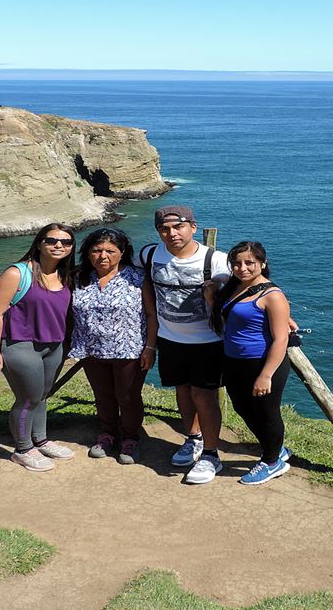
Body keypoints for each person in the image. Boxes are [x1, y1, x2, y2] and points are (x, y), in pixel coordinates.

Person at [137, 205, 231, 484]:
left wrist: (281, 314)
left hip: (208, 341)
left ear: (193, 227)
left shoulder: (217, 260)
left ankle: (211, 455)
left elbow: (251, 285)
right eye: (164, 228)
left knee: (204, 396)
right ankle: (194, 439)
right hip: (170, 339)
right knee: (182, 392)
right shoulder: (149, 254)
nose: (172, 233)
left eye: (178, 226)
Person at [0, 222, 77, 472]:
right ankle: (23, 449)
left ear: (71, 247)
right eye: (51, 240)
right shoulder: (17, 273)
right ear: (39, 243)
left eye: (66, 242)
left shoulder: (65, 275)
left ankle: (41, 440)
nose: (58, 245)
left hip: (54, 345)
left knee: (42, 396)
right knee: (28, 398)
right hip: (20, 344)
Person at [69, 228, 158, 464]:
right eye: (96, 250)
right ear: (88, 253)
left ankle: (130, 437)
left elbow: (151, 314)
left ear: (122, 252)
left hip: (130, 349)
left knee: (128, 397)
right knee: (103, 395)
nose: (103, 256)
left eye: (110, 251)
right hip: (91, 349)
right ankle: (107, 433)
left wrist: (150, 348)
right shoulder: (78, 277)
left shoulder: (137, 277)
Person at [211, 241, 292, 485]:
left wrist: (266, 375)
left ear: (263, 264)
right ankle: (275, 448)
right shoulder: (235, 286)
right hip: (233, 360)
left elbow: (281, 339)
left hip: (262, 363)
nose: (242, 268)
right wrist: (210, 293)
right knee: (242, 407)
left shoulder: (273, 295)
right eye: (236, 263)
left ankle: (272, 461)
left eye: (250, 263)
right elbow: (227, 316)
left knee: (266, 413)